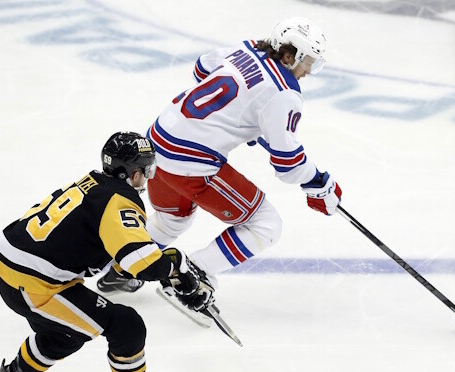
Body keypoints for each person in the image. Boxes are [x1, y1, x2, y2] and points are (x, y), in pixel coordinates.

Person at [0, 132, 214, 372]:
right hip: (36, 285)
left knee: (67, 333)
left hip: (16, 274)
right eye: (146, 169)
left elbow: (111, 246)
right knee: (125, 324)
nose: (147, 177)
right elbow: (140, 264)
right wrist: (175, 267)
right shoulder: (120, 200)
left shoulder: (93, 182)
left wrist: (162, 265)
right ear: (133, 172)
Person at [97, 17, 342, 295]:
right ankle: (190, 276)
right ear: (289, 54)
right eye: (307, 60)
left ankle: (122, 270)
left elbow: (202, 68)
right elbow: (288, 163)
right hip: (188, 162)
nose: (308, 70)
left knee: (172, 219)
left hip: (156, 142)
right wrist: (320, 183)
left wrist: (241, 116)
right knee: (265, 225)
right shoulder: (285, 92)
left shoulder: (250, 48)